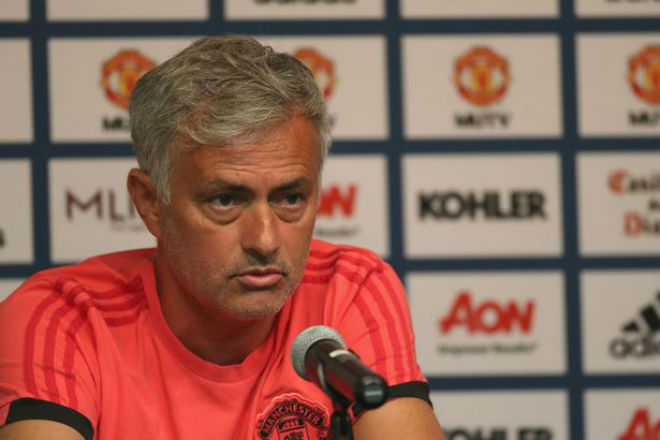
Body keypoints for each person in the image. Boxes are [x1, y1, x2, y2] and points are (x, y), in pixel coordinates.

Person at [0, 35, 445, 440]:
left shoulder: (348, 286)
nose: (265, 240)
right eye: (226, 200)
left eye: (290, 198)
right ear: (151, 202)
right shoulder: (63, 316)